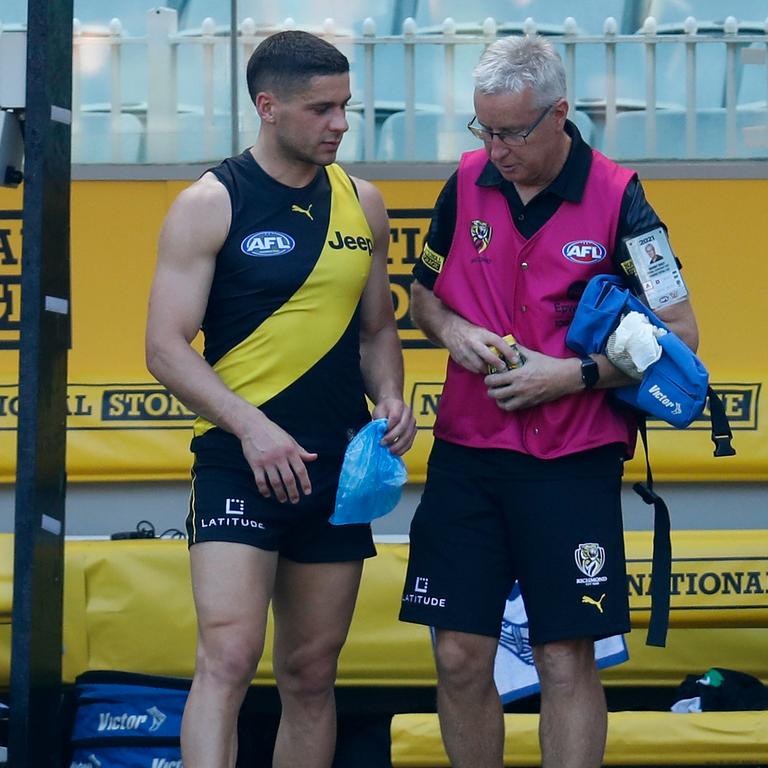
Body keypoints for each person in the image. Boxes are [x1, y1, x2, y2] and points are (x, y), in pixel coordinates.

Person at [399, 35, 699, 768]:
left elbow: (681, 336)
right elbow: (421, 299)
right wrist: (455, 330)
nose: (495, 148)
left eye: (511, 132)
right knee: (460, 657)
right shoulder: (465, 180)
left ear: (559, 114)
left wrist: (569, 376)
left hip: (572, 460)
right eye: (484, 129)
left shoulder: (621, 197)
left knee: (564, 658)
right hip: (468, 454)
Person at [145, 30, 416, 768]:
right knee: (228, 659)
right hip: (240, 461)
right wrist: (252, 429)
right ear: (268, 107)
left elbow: (377, 328)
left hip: (336, 468)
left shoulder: (364, 201)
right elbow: (165, 347)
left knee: (310, 674)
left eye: (346, 108)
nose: (339, 124)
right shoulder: (209, 202)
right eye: (321, 109)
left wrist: (392, 395)